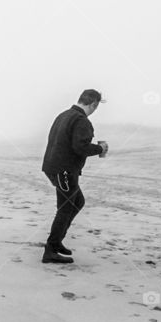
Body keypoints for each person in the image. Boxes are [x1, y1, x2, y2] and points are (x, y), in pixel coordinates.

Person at [40, 89, 108, 263]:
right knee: (66, 207)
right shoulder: (81, 120)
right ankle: (50, 249)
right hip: (64, 170)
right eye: (96, 106)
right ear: (93, 104)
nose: (95, 109)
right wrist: (100, 149)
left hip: (54, 167)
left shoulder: (64, 115)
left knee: (77, 202)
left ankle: (56, 243)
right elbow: (80, 147)